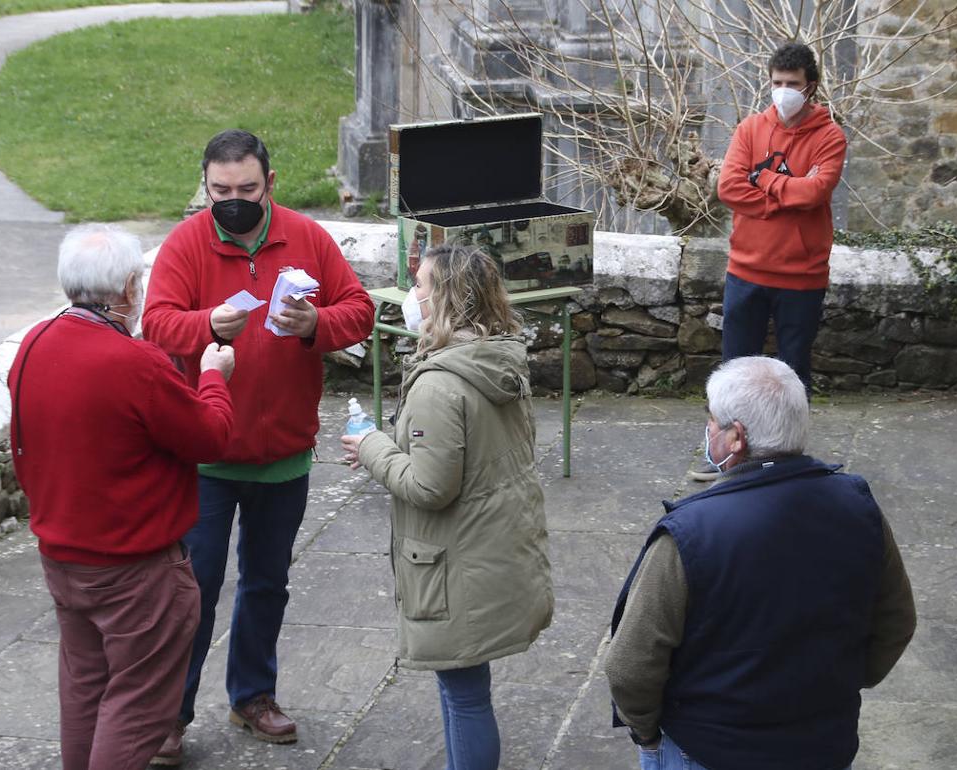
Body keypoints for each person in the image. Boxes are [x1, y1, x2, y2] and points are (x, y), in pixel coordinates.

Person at [142, 129, 374, 763]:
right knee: (196, 586)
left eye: (246, 189)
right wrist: (206, 325)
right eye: (220, 191)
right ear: (205, 188)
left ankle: (254, 697)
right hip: (206, 456)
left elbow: (359, 309)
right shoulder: (187, 244)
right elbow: (156, 323)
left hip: (284, 454)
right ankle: (170, 714)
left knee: (267, 583)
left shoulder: (307, 237)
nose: (234, 201)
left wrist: (316, 326)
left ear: (270, 184)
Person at [606, 356, 917, 770]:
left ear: (736, 437)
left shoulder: (689, 533)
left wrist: (646, 735)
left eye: (712, 420)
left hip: (707, 750)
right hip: (822, 745)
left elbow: (630, 666)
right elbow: (896, 621)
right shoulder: (860, 509)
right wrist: (837, 688)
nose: (708, 429)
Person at [8, 224, 236, 770]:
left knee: (85, 689)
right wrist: (213, 375)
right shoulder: (135, 363)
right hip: (136, 569)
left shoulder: (34, 344)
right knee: (136, 707)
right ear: (130, 288)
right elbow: (210, 437)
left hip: (63, 556)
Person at [341, 244, 554, 770]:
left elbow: (432, 487)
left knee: (464, 696)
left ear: (448, 301)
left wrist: (370, 446)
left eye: (421, 285)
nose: (412, 295)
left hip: (455, 566)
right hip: (493, 551)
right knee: (465, 686)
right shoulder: (500, 358)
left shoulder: (440, 385)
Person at [716, 42, 848, 394]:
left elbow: (815, 193)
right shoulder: (750, 130)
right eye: (777, 83)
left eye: (792, 84)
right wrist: (788, 196)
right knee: (735, 374)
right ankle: (732, 445)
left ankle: (790, 448)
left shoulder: (830, 137)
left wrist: (763, 179)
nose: (783, 92)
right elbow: (728, 189)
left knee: (793, 377)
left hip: (802, 277)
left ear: (811, 87)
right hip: (746, 271)